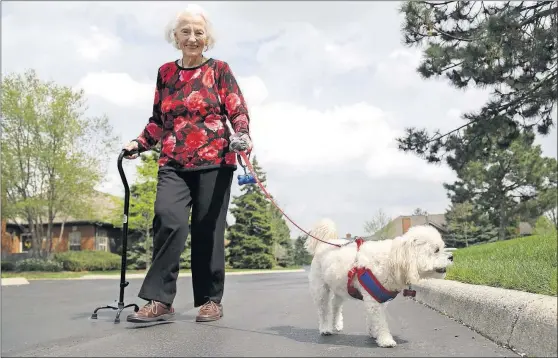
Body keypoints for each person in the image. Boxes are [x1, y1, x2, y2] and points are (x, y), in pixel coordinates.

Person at [123, 4, 253, 323]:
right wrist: (139, 143)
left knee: (207, 229)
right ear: (175, 36)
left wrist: (243, 135)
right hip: (174, 161)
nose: (192, 37)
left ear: (206, 38)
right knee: (168, 220)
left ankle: (210, 300)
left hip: (215, 160)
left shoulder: (219, 70)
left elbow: (237, 110)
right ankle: (159, 300)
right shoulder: (166, 73)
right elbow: (158, 119)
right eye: (185, 31)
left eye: (198, 32)